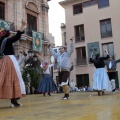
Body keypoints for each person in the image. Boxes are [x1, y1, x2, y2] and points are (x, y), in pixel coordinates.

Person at [0, 19, 26, 107]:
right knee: (15, 78)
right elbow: (16, 37)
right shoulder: (5, 41)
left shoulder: (3, 41)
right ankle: (14, 101)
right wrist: (22, 26)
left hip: (4, 61)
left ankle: (13, 101)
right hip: (9, 60)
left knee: (8, 80)